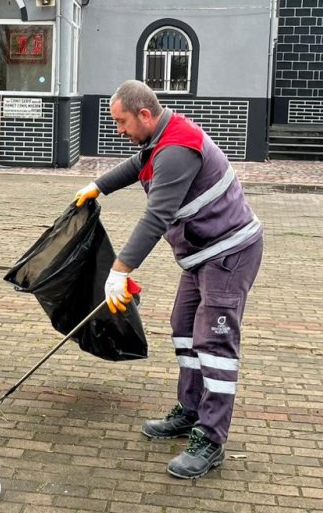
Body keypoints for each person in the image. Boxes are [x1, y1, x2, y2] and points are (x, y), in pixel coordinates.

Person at [74, 80, 262, 478]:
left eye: (122, 122)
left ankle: (211, 439)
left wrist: (120, 270)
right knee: (184, 329)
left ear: (144, 114)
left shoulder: (177, 149)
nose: (119, 131)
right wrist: (98, 186)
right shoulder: (159, 137)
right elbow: (138, 165)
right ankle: (190, 411)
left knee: (215, 343)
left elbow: (156, 217)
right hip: (202, 255)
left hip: (228, 254)